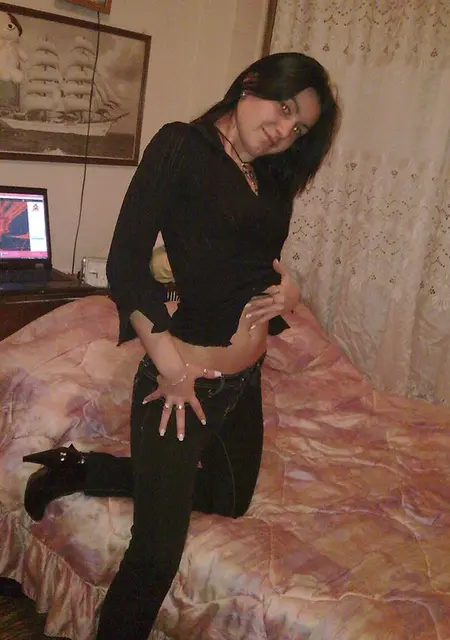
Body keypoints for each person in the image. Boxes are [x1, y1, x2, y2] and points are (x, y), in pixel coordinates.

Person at [22, 52, 340, 639]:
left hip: (246, 379)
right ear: (250, 84)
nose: (283, 131)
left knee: (229, 497)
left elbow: (256, 258)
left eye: (298, 128)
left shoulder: (266, 174)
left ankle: (85, 466)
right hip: (183, 378)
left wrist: (289, 290)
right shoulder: (181, 147)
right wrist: (168, 364)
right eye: (283, 108)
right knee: (155, 554)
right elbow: (126, 263)